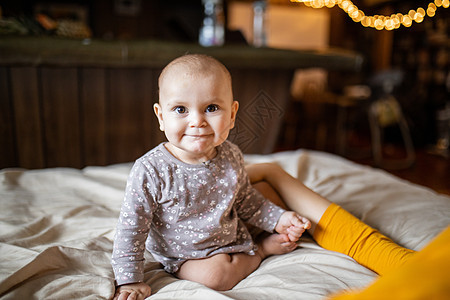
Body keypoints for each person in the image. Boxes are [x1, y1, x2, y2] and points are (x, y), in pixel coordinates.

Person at [111, 54, 311, 300]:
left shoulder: (231, 155)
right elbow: (131, 229)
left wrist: (279, 219)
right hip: (184, 253)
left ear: (232, 114)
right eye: (180, 109)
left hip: (229, 234)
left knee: (273, 199)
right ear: (161, 117)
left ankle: (259, 240)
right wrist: (129, 279)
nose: (197, 121)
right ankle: (260, 251)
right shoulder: (151, 170)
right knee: (215, 278)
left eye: (212, 108)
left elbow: (246, 200)